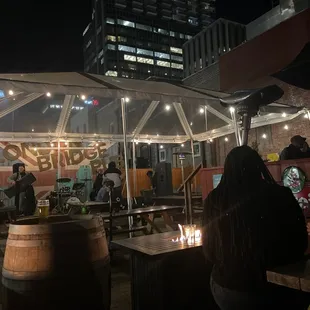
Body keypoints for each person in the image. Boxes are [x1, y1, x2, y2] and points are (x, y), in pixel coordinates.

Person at [203, 146, 308, 310]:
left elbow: (209, 251)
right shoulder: (280, 194)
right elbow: (300, 242)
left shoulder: (214, 199)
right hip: (276, 289)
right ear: (258, 166)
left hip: (227, 289)